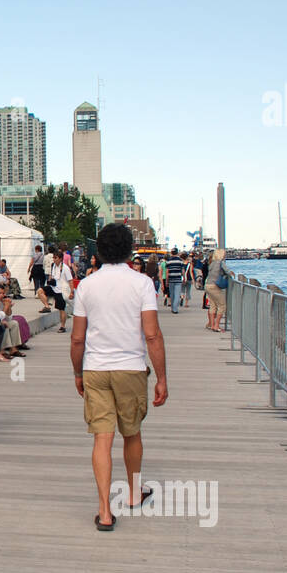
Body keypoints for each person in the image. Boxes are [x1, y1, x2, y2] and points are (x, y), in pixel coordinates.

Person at [70, 223, 168, 531]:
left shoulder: (86, 285)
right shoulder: (142, 283)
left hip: (96, 369)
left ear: (99, 251)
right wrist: (162, 377)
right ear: (129, 251)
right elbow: (151, 335)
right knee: (132, 432)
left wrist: (77, 372)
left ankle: (104, 511)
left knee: (102, 437)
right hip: (131, 368)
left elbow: (76, 339)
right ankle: (135, 492)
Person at [204, 248, 228, 331]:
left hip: (208, 285)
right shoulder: (221, 263)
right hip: (214, 286)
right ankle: (216, 325)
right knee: (222, 306)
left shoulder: (212, 263)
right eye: (224, 254)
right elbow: (227, 271)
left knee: (213, 305)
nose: (225, 255)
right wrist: (230, 274)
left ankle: (212, 324)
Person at [166, 248, 185, 314]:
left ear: (171, 253)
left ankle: (172, 308)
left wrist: (167, 281)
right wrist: (184, 278)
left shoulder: (168, 261)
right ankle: (175, 309)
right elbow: (182, 271)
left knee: (172, 294)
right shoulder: (180, 261)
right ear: (177, 253)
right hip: (178, 279)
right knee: (177, 294)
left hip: (171, 279)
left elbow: (167, 272)